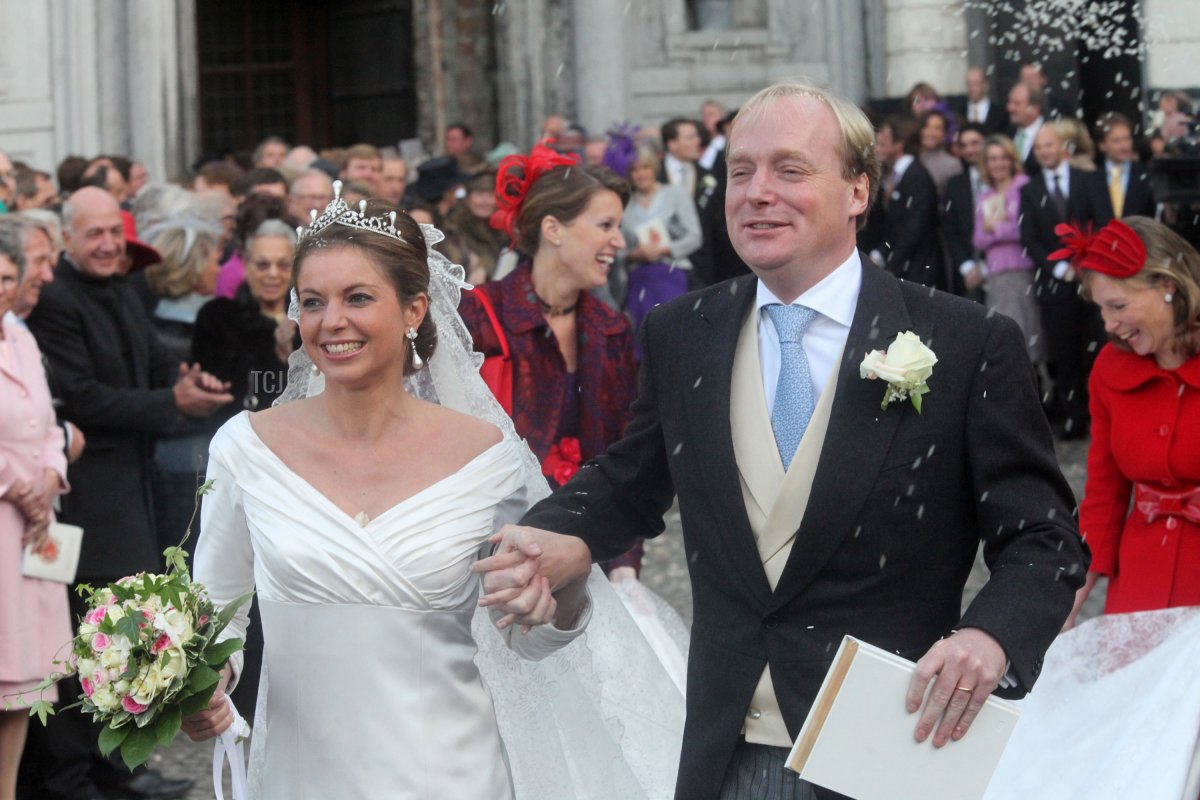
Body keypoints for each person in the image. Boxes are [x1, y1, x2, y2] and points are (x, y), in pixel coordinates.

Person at [478, 81, 1088, 800]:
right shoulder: (683, 332)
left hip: (886, 748)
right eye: (741, 171)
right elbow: (633, 478)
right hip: (727, 751)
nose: (757, 193)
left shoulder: (964, 341)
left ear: (857, 190)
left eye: (790, 170)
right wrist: (557, 534)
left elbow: (1043, 540)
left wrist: (990, 638)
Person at [181, 195, 595, 799]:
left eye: (357, 298)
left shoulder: (486, 459)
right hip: (302, 780)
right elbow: (217, 612)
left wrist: (569, 580)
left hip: (452, 778)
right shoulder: (245, 449)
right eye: (313, 302)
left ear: (413, 309)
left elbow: (526, 635)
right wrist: (203, 686)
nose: (331, 322)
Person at [21, 187, 226, 800]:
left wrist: (182, 380)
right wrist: (171, 402)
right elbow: (84, 398)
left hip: (129, 490)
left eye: (116, 231)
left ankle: (114, 767)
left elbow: (152, 360)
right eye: (95, 234)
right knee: (81, 640)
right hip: (83, 499)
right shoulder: (55, 300)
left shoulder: (125, 285)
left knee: (118, 632)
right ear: (67, 239)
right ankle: (73, 777)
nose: (109, 244)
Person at [458, 146, 644, 578]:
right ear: (553, 229)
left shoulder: (611, 328)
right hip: (488, 550)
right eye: (605, 225)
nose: (619, 241)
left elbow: (624, 455)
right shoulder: (478, 315)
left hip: (582, 548)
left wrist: (625, 563)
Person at [1060, 216, 1200, 626]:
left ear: (1168, 285)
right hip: (1139, 586)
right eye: (1101, 309)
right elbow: (1105, 495)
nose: (1108, 324)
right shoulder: (1110, 368)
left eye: (1118, 306)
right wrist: (1068, 601)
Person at [0, 222, 71, 800]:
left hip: (34, 525)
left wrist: (50, 474)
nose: (1, 288)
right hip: (5, 514)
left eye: (6, 277)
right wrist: (14, 484)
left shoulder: (19, 336)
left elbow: (47, 422)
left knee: (24, 680)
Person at [1019, 123, 1108, 439]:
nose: (1044, 152)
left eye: (1049, 145)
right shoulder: (1029, 190)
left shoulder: (1088, 179)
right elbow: (1029, 239)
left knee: (1098, 349)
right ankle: (1074, 418)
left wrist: (1085, 263)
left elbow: (1104, 222)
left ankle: (1104, 414)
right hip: (1054, 285)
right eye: (1039, 147)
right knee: (1064, 353)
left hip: (1092, 280)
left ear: (1063, 146)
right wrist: (1058, 268)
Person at [972, 135, 1045, 365]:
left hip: (1020, 270)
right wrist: (1002, 227)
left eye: (1003, 157)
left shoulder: (1023, 186)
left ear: (1012, 160)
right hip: (996, 276)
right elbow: (978, 239)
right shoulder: (986, 194)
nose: (999, 163)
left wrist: (994, 227)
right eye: (993, 159)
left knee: (1025, 331)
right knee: (1003, 332)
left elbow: (1025, 230)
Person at [620, 145, 702, 334]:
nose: (640, 174)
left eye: (645, 167)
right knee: (642, 334)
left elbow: (695, 236)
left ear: (654, 169)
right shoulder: (625, 205)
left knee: (674, 331)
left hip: (672, 273)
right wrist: (635, 254)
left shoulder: (675, 194)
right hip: (639, 279)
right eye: (634, 170)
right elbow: (618, 250)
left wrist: (664, 249)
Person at [860, 115, 945, 289]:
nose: (877, 147)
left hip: (917, 270)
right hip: (902, 266)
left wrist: (892, 263)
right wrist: (881, 253)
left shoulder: (916, 177)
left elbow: (913, 228)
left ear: (899, 144)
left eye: (883, 142)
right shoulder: (894, 176)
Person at [942, 123, 987, 299]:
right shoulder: (954, 185)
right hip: (966, 274)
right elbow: (950, 230)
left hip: (1001, 269)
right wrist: (967, 267)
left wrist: (986, 266)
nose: (969, 150)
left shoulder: (1002, 179)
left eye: (975, 143)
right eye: (964, 145)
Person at [1088, 112, 1156, 221]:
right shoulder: (1090, 180)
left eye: (1127, 139)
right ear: (1102, 145)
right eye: (1117, 141)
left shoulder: (1145, 175)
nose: (1124, 146)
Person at [917, 109, 963, 198]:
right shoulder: (910, 157)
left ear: (944, 134)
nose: (931, 132)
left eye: (937, 128)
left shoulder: (952, 165)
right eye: (927, 127)